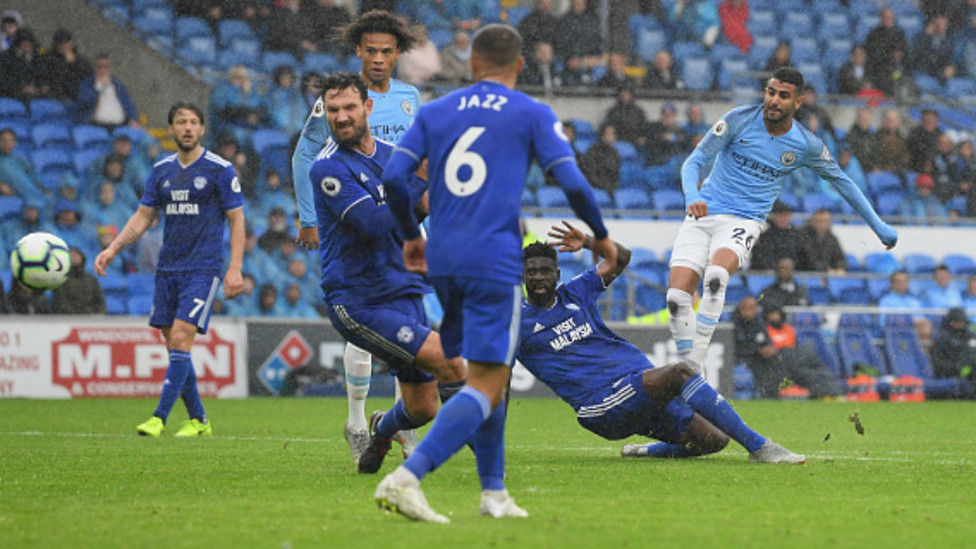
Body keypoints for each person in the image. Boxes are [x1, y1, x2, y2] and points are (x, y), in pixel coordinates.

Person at [379, 24, 616, 523]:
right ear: (521, 65)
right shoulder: (530, 111)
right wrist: (600, 235)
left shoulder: (435, 110)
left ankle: (494, 493)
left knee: (488, 374)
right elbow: (571, 180)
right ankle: (407, 478)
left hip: (444, 256)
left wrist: (410, 237)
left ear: (472, 63)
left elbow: (394, 179)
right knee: (487, 384)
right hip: (493, 260)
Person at [667, 66, 897, 369]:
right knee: (676, 299)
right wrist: (693, 196)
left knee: (715, 277)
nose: (774, 100)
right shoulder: (738, 119)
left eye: (783, 96)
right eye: (771, 92)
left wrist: (877, 224)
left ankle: (693, 368)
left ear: (798, 102)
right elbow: (694, 161)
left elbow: (843, 182)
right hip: (703, 211)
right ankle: (687, 372)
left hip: (743, 220)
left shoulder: (806, 144)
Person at [522, 229, 805, 464]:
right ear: (522, 277)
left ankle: (642, 451)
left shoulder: (575, 291)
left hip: (639, 389)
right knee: (679, 373)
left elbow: (621, 256)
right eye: (531, 272)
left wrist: (588, 241)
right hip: (601, 405)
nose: (538, 277)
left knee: (715, 441)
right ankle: (761, 447)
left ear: (557, 274)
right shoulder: (516, 324)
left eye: (545, 271)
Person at [307, 72, 466, 473]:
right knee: (451, 362)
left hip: (405, 291)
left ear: (368, 107)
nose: (341, 117)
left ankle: (381, 429)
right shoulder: (327, 168)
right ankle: (485, 454)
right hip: (358, 300)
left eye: (349, 108)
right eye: (333, 110)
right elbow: (376, 226)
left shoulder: (396, 155)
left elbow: (426, 205)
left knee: (421, 407)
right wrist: (421, 179)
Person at [291, 10, 423, 463]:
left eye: (388, 51)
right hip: (354, 212)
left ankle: (401, 419)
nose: (380, 59)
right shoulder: (339, 100)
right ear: (359, 53)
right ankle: (355, 418)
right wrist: (308, 217)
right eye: (371, 51)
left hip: (401, 220)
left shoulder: (409, 98)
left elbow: (417, 159)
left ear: (398, 54)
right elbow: (305, 153)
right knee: (365, 319)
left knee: (412, 320)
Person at [94, 101, 245, 438]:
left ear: (202, 129)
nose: (188, 127)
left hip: (203, 269)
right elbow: (143, 216)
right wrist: (113, 248)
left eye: (193, 122)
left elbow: (237, 219)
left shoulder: (220, 169)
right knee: (174, 343)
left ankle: (159, 417)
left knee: (180, 337)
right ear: (172, 130)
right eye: (181, 122)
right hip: (168, 269)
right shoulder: (161, 170)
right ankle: (199, 420)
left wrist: (235, 268)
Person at [74, 54, 140, 129]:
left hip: (121, 126)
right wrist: (100, 88)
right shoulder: (87, 84)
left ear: (110, 69)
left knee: (146, 138)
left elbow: (128, 104)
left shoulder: (117, 85)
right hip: (96, 126)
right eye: (100, 67)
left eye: (106, 67)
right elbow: (86, 102)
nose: (103, 70)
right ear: (95, 68)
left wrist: (133, 119)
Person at [750, 200, 815, 271]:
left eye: (786, 215)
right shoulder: (766, 236)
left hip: (794, 276)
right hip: (772, 275)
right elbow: (761, 259)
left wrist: (792, 265)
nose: (783, 219)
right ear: (774, 216)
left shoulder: (797, 235)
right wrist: (779, 267)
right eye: (780, 215)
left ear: (790, 217)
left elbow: (807, 256)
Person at [930, 307, 976, 393]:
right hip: (952, 373)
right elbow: (937, 362)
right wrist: (956, 367)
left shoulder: (971, 336)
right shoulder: (942, 339)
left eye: (962, 321)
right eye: (957, 321)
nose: (960, 324)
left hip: (969, 371)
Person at [38, 28, 91, 103]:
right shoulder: (48, 59)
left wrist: (73, 63)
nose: (64, 46)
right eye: (61, 44)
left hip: (76, 94)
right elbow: (53, 78)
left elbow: (87, 76)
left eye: (66, 43)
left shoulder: (80, 61)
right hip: (57, 95)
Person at [878, 270, 932, 341]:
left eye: (904, 281)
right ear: (892, 284)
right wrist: (910, 321)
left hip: (915, 330)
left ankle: (923, 350)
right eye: (899, 281)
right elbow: (883, 323)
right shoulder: (885, 301)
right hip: (896, 331)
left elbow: (921, 318)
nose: (902, 284)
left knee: (927, 325)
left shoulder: (914, 300)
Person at [51, 247, 106, 314]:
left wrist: (98, 313)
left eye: (76, 255)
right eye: (71, 255)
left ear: (82, 257)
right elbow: (61, 304)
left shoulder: (91, 279)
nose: (74, 257)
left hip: (91, 319)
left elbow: (100, 301)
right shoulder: (61, 279)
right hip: (68, 319)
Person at [800, 209, 848, 274]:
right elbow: (809, 259)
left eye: (826, 221)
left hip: (825, 274)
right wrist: (826, 271)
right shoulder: (804, 235)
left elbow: (840, 258)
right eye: (820, 221)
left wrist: (840, 268)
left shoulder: (831, 238)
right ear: (813, 221)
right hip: (807, 274)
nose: (823, 224)